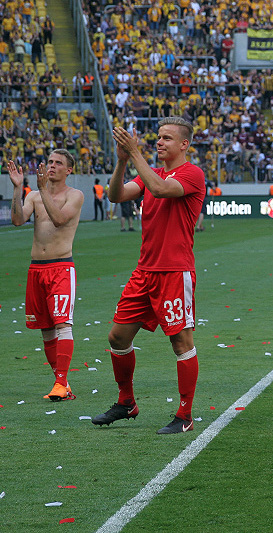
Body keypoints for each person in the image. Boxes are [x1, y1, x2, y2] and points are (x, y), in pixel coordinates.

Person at [92, 117, 206, 435]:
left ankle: (185, 415)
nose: (159, 142)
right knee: (118, 337)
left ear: (184, 144)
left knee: (181, 342)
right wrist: (121, 160)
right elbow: (116, 195)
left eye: (167, 137)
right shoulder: (150, 172)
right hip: (145, 271)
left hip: (175, 272)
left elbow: (160, 189)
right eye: (158, 136)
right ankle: (126, 402)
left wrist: (134, 153)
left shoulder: (192, 174)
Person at [8, 150, 85, 401]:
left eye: (58, 163)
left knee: (62, 324)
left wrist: (42, 190)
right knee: (46, 329)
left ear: (68, 170)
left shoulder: (75, 195)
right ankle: (62, 384)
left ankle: (60, 383)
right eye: (50, 161)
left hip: (61, 267)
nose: (51, 166)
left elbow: (59, 219)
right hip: (36, 269)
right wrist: (17, 189)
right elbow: (17, 220)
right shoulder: (33, 196)